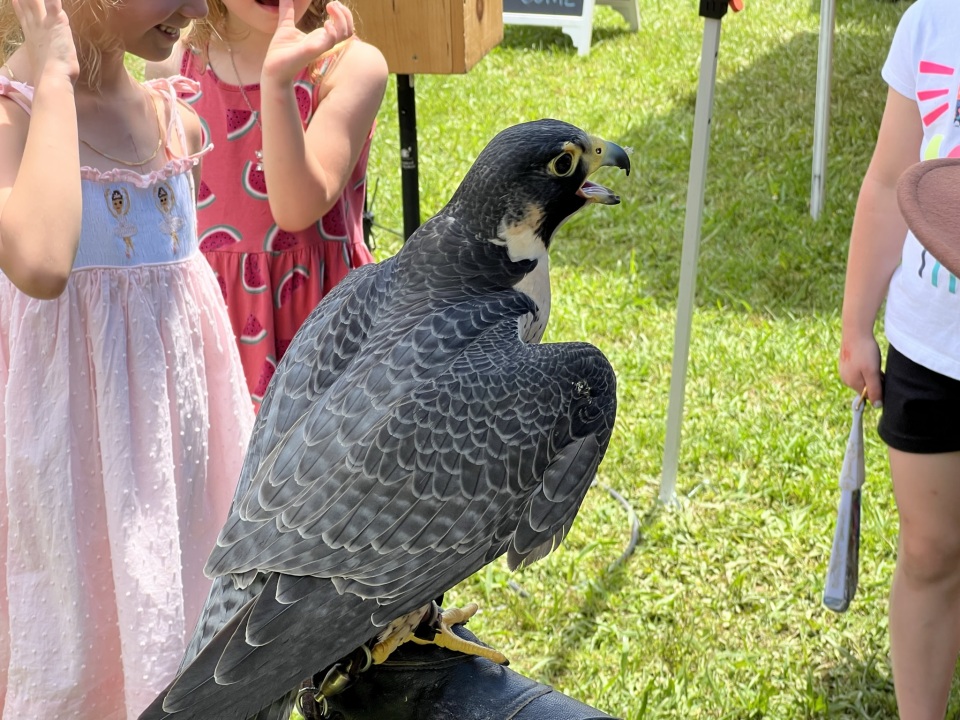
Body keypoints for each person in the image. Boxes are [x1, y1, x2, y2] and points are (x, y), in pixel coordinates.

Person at [0, 0, 255, 716]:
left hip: (174, 463)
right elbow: (44, 264)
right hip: (72, 472)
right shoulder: (12, 122)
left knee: (175, 620)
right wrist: (54, 74)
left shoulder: (168, 115)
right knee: (81, 649)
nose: (199, 9)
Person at [146, 0, 388, 410]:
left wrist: (277, 83)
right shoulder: (175, 64)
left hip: (318, 319)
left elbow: (296, 208)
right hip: (209, 309)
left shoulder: (352, 67)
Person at [838, 0, 960, 717]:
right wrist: (859, 322)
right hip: (930, 343)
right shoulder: (931, 21)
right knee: (930, 551)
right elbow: (891, 181)